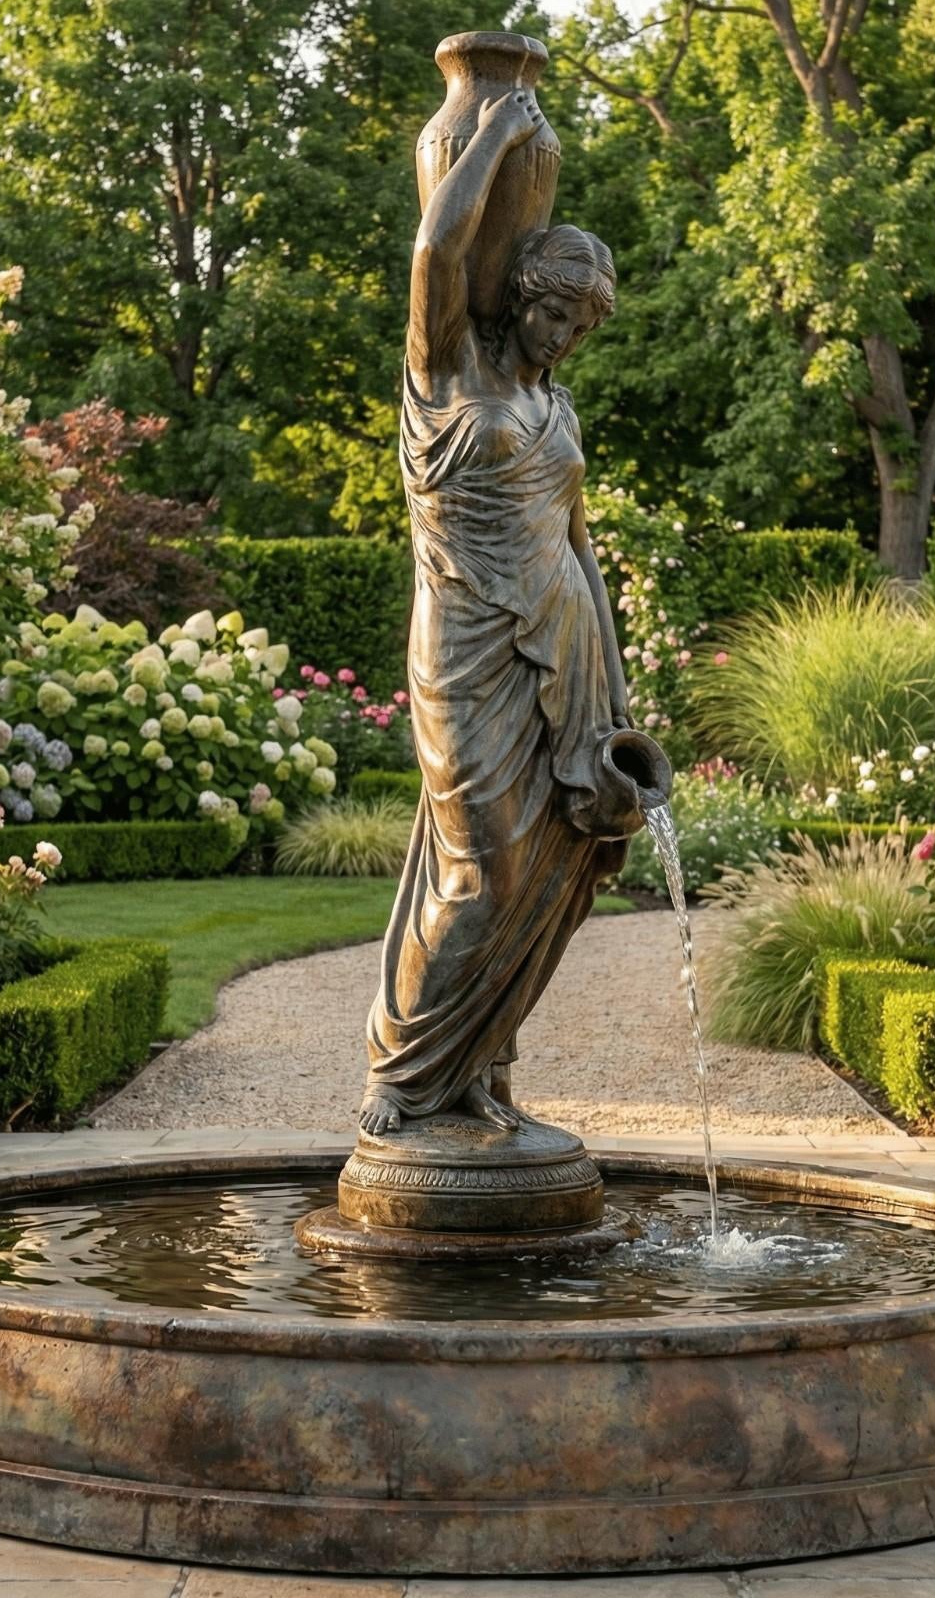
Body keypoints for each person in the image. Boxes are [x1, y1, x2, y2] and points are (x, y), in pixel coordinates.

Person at [359, 90, 631, 1137]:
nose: (565, 336)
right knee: (484, 869)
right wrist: (501, 137)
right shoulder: (444, 369)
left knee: (558, 874)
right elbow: (436, 250)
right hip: (467, 642)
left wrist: (608, 691)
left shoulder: (554, 402)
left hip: (561, 645)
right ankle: (404, 1071)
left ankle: (482, 1070)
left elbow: (575, 539)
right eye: (556, 312)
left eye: (584, 325)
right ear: (519, 292)